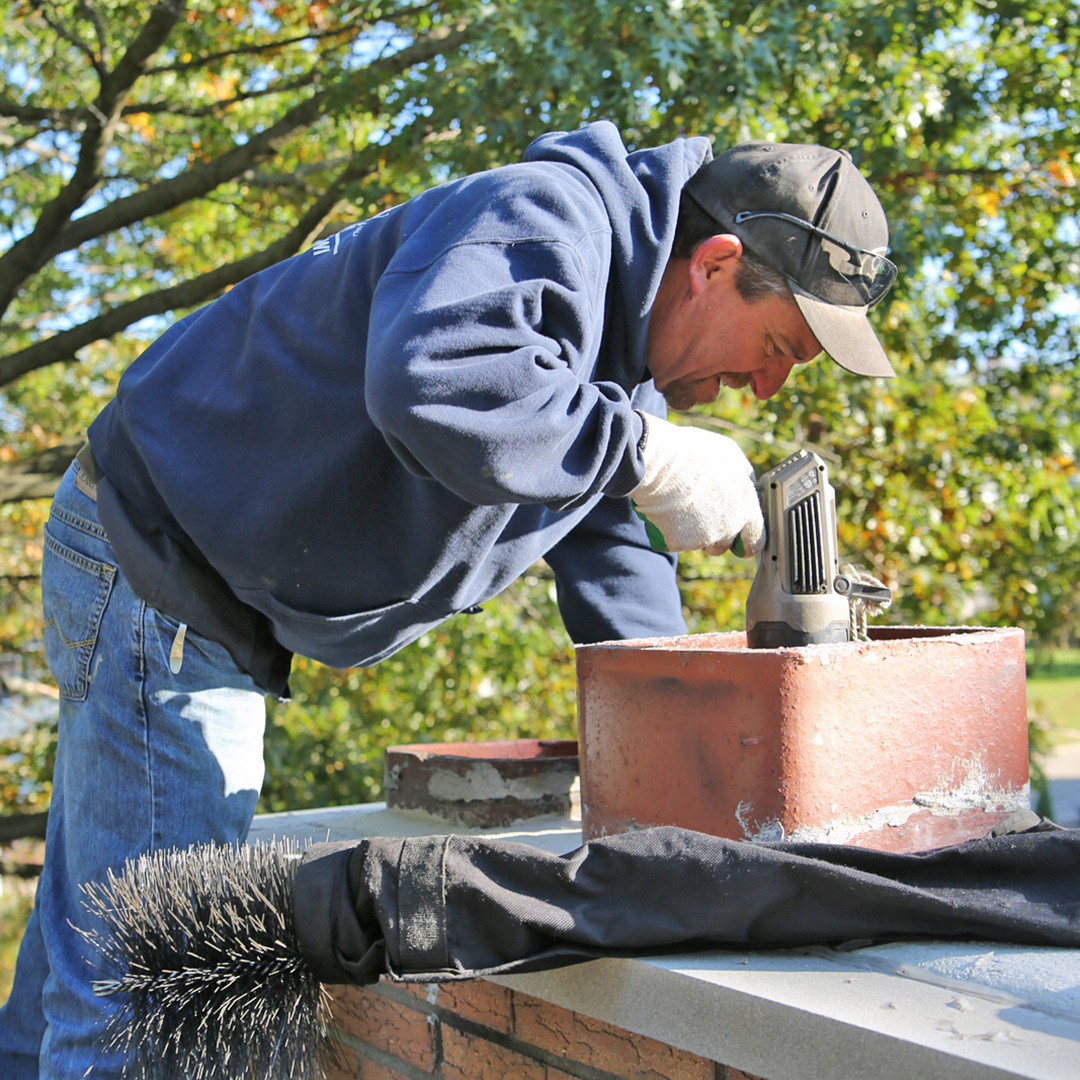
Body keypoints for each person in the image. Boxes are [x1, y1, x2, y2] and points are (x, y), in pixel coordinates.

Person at [0, 121, 896, 1079]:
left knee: (88, 937)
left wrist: (686, 766)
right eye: (778, 347)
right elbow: (431, 379)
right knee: (152, 992)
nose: (762, 388)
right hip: (159, 565)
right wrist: (642, 455)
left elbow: (614, 565)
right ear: (715, 264)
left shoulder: (618, 369)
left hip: (186, 573)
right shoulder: (544, 218)